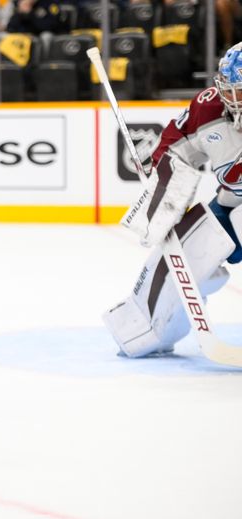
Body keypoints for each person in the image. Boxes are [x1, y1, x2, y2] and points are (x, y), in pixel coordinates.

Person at [103, 42, 242, 358]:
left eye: (240, 91)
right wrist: (164, 192)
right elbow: (175, 146)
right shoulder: (209, 108)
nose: (230, 98)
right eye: (229, 88)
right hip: (233, 204)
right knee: (187, 250)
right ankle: (146, 330)